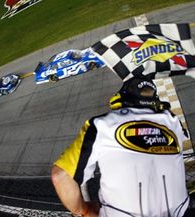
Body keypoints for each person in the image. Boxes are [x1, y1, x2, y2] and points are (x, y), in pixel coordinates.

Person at [51, 76, 192, 217]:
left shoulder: (102, 125)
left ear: (121, 97)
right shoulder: (173, 122)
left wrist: (83, 211)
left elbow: (61, 175)